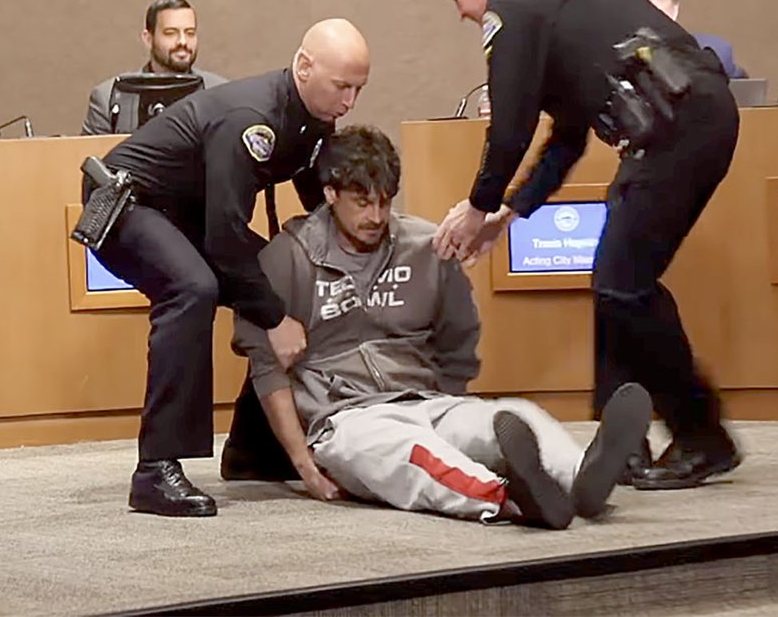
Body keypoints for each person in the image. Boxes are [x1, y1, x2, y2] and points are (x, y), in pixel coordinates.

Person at [429, 0, 741, 490]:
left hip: (679, 130)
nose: (460, 13)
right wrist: (510, 213)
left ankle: (703, 436)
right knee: (617, 283)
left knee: (624, 284)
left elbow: (510, 126)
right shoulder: (555, 3)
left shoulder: (513, 6)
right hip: (687, 126)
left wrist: (476, 205)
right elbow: (568, 136)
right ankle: (623, 445)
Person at [232, 125, 652, 529]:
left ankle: (583, 479)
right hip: (345, 419)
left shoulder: (426, 246)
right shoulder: (288, 257)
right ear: (330, 193)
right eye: (362, 202)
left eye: (385, 201)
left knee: (511, 415)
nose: (376, 216)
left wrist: (448, 400)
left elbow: (459, 338)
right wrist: (305, 466)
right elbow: (267, 369)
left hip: (426, 399)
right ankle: (507, 499)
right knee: (411, 455)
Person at [90, 19, 370, 517]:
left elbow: (315, 201)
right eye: (341, 87)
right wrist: (273, 318)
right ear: (304, 67)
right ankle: (155, 471)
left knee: (287, 277)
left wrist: (342, 254)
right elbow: (225, 236)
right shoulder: (252, 117)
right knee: (192, 289)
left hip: (180, 212)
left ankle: (253, 450)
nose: (349, 103)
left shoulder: (310, 118)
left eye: (358, 90)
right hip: (125, 203)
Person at [82, 0, 228, 135]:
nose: (182, 41)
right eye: (170, 33)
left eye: (190, 33)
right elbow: (89, 157)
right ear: (148, 39)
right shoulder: (108, 97)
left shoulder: (221, 93)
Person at [622, 0, 748, 79]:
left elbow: (745, 95)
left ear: (674, 9)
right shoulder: (603, 55)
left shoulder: (712, 51)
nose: (645, 2)